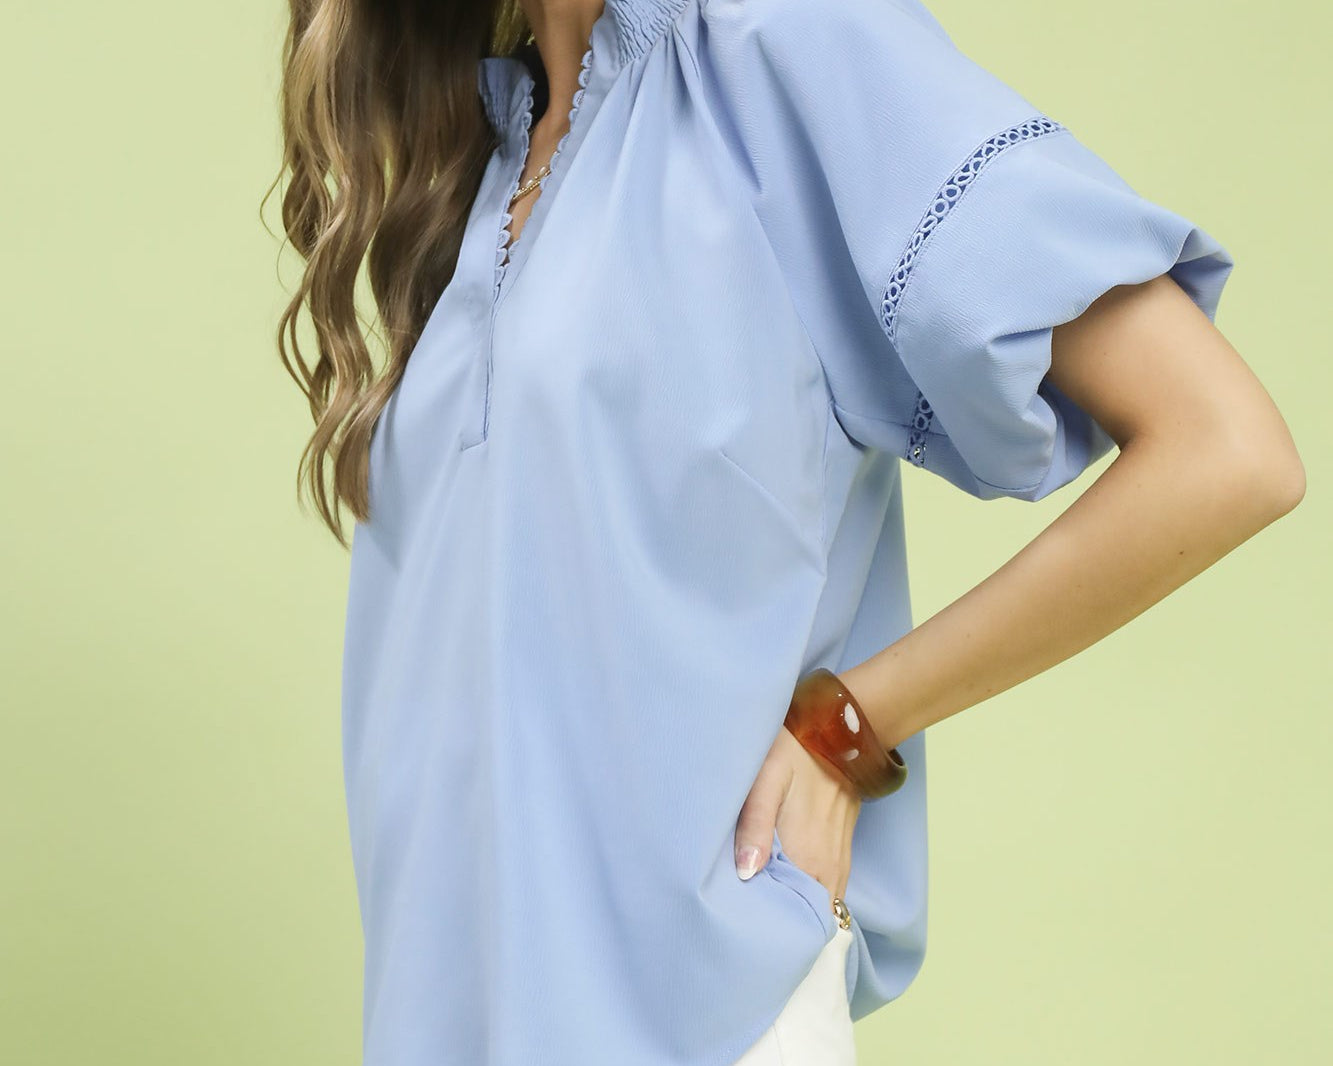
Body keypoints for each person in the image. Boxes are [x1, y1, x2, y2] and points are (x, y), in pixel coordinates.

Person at [270, 0, 1304, 1063]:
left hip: (702, 1019)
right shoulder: (484, 159)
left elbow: (1224, 450)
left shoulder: (782, 43)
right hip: (451, 1020)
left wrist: (848, 725)